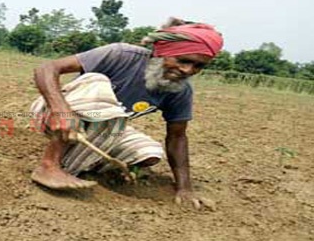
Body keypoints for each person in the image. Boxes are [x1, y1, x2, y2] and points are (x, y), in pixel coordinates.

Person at [30, 18, 223, 209]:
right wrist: (61, 111)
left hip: (104, 128)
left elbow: (177, 137)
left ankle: (91, 164)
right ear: (161, 52)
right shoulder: (121, 54)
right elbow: (46, 68)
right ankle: (49, 166)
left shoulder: (179, 91)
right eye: (183, 60)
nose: (188, 70)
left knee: (149, 154)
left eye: (198, 66)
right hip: (55, 114)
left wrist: (185, 188)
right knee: (98, 82)